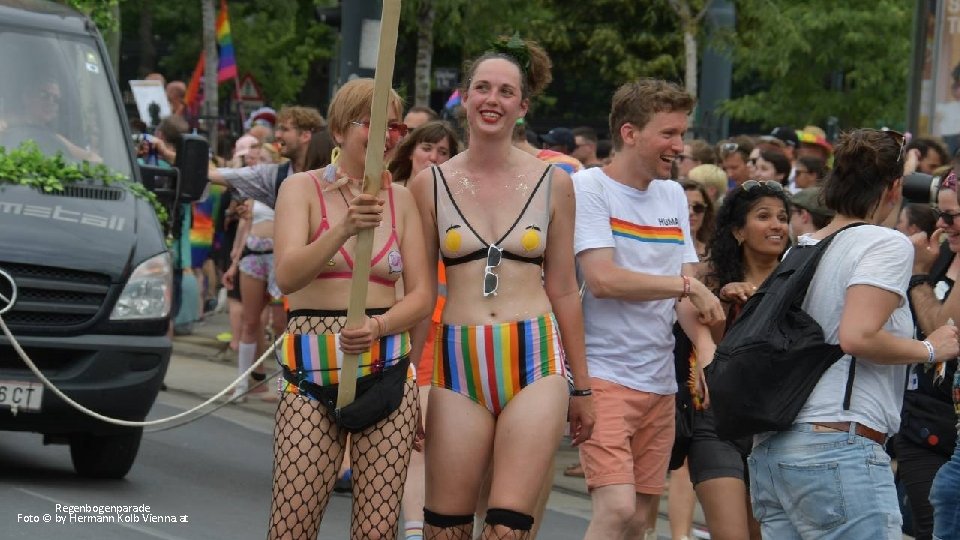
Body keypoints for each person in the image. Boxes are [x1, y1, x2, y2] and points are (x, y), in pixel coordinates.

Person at [408, 36, 595, 539]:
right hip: (456, 359)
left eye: (506, 91)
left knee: (508, 528)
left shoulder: (553, 182)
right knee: (444, 526)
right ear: (465, 98)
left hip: (534, 358)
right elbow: (421, 297)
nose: (493, 99)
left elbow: (562, 289)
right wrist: (406, 381)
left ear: (522, 106)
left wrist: (582, 386)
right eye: (483, 88)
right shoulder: (429, 184)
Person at [747, 129, 960, 539]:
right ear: (894, 187)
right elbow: (857, 337)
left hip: (776, 447)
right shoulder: (883, 243)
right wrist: (931, 348)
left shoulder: (806, 246)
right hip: (837, 445)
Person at [267, 78, 432, 539]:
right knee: (292, 526)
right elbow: (287, 275)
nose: (386, 134)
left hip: (386, 366)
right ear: (339, 130)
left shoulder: (402, 198)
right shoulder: (300, 189)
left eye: (394, 126)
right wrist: (342, 228)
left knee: (377, 531)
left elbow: (422, 294)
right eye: (373, 123)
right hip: (311, 372)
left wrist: (378, 326)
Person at [574, 78, 723, 539]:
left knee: (639, 523)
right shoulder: (588, 187)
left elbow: (684, 296)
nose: (679, 146)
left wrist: (704, 346)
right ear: (629, 132)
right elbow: (602, 279)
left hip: (659, 380)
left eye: (682, 134)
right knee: (616, 510)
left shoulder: (674, 195)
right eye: (669, 133)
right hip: (602, 373)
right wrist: (685, 286)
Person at [689, 181, 791, 540]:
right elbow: (708, 350)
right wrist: (723, 303)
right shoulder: (709, 279)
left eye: (783, 217)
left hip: (778, 425)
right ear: (737, 231)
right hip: (717, 423)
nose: (777, 225)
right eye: (764, 216)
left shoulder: (799, 280)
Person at [387, 119, 460, 540]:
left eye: (444, 152)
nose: (434, 158)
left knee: (418, 441)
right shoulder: (387, 198)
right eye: (427, 148)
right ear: (412, 151)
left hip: (434, 334)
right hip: (381, 329)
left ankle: (415, 530)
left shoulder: (457, 204)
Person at [902, 169, 960, 540]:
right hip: (923, 421)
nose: (940, 224)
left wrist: (920, 276)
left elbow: (942, 326)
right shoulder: (943, 250)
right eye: (940, 214)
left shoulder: (928, 261)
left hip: (949, 420)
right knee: (929, 524)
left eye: (951, 216)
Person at [208, 106, 326, 208]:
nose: (277, 135)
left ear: (305, 136)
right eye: (278, 129)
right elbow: (225, 176)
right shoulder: (274, 175)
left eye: (285, 129)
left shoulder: (331, 175)